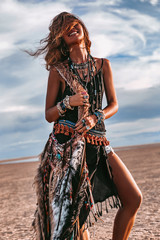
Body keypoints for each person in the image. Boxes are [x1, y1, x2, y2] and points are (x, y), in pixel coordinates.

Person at [30, 12, 142, 240]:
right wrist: (67, 102)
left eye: (74, 23)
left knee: (133, 198)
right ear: (61, 38)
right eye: (65, 28)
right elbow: (49, 114)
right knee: (74, 219)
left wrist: (95, 118)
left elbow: (114, 104)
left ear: (83, 28)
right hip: (67, 149)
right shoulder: (58, 71)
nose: (71, 28)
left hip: (98, 142)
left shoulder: (103, 65)